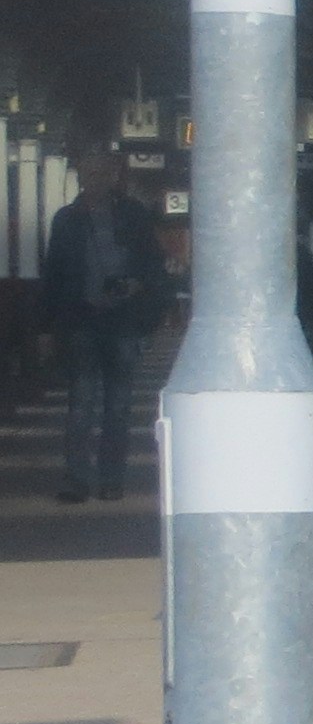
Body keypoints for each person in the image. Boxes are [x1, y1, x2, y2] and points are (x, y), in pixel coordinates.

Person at [42, 152, 169, 504]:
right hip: (80, 318)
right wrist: (47, 325)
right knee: (81, 402)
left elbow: (152, 265)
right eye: (91, 169)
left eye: (103, 170)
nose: (96, 176)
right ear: (82, 173)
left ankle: (110, 478)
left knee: (118, 404)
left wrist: (136, 286)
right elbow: (53, 271)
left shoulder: (133, 215)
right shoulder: (66, 220)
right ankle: (78, 480)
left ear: (115, 175)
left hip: (123, 320)